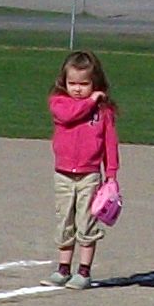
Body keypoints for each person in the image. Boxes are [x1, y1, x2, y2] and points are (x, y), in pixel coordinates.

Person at [46, 50, 120, 289]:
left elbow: (110, 143)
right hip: (63, 174)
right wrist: (90, 101)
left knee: (86, 223)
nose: (77, 88)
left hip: (89, 175)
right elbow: (68, 116)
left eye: (84, 84)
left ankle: (84, 272)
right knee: (64, 220)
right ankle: (63, 268)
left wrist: (111, 176)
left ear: (95, 83)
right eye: (72, 83)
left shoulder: (103, 112)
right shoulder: (59, 102)